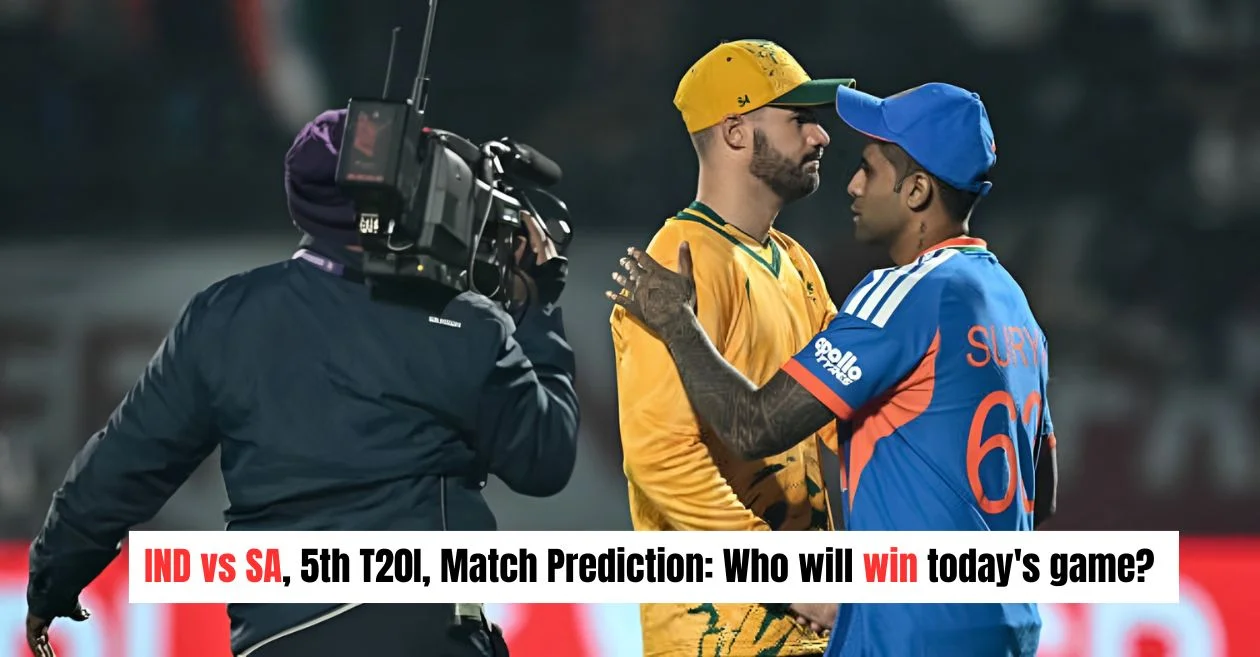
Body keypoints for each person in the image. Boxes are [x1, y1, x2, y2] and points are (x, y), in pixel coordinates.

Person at [24, 108, 580, 657]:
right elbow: (544, 460)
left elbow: (123, 466)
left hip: (279, 637)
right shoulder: (466, 321)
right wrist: (539, 309)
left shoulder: (224, 315)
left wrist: (53, 577)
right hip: (425, 631)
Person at [607, 82, 1057, 657]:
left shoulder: (900, 294)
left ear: (916, 190)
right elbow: (1041, 491)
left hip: (911, 629)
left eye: (869, 169)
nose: (853, 184)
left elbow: (754, 426)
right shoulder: (1015, 308)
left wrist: (677, 323)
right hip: (1009, 623)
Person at [609, 38, 855, 657]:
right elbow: (661, 456)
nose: (821, 136)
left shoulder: (794, 261)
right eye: (799, 119)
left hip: (804, 628)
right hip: (715, 634)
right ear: (737, 132)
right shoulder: (678, 261)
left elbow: (841, 420)